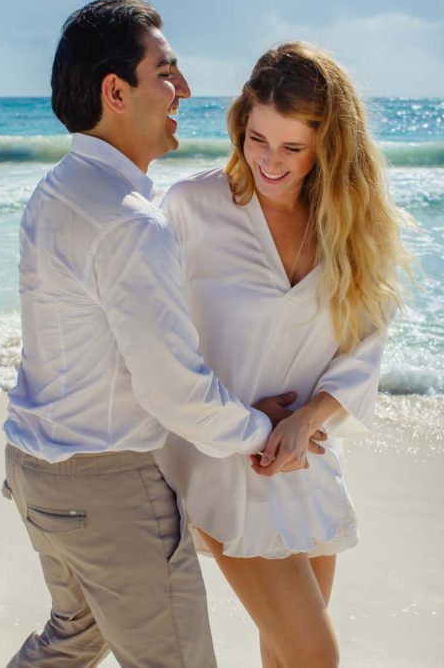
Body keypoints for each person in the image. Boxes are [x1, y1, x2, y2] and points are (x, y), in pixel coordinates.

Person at [0, 0, 324, 668]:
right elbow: (173, 390)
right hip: (108, 488)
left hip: (35, 471)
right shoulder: (129, 223)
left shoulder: (58, 188)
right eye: (166, 72)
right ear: (115, 92)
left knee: (71, 638)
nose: (185, 89)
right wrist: (261, 432)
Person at [155, 41, 415, 668]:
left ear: (329, 146)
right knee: (315, 657)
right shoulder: (192, 208)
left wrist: (307, 420)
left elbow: (365, 341)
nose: (270, 162)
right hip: (225, 461)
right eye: (257, 139)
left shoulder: (351, 225)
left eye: (293, 148)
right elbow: (157, 341)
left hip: (306, 461)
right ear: (240, 126)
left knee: (285, 660)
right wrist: (245, 422)